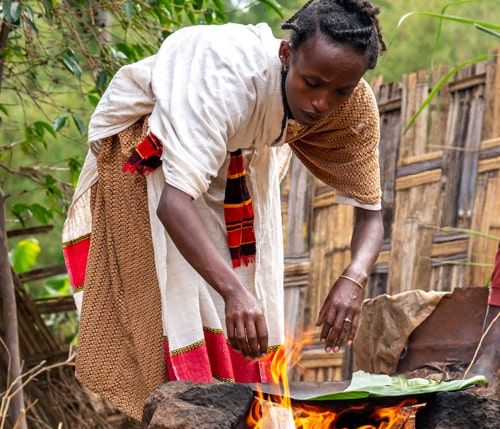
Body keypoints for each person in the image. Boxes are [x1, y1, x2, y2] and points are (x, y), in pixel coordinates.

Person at [62, 0, 386, 420]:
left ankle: (243, 409)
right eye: (312, 83)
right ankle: (186, 410)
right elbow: (174, 205)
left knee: (252, 300)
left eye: (339, 90)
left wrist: (354, 279)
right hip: (153, 159)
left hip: (241, 161)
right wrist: (233, 292)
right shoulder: (226, 82)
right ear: (286, 56)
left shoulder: (353, 108)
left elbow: (371, 213)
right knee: (177, 300)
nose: (322, 103)